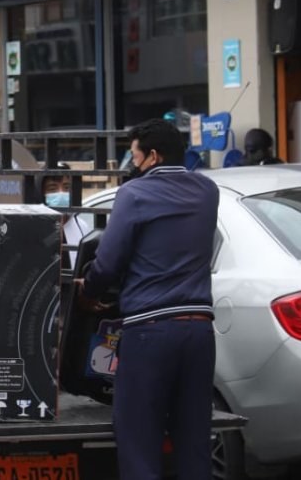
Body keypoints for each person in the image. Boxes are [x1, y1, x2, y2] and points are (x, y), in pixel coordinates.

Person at [77, 119, 219, 480]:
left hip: (151, 332)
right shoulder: (208, 191)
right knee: (194, 443)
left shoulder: (134, 194)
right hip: (200, 333)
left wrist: (89, 291)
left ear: (152, 157)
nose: (132, 163)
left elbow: (109, 262)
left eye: (134, 155)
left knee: (139, 442)